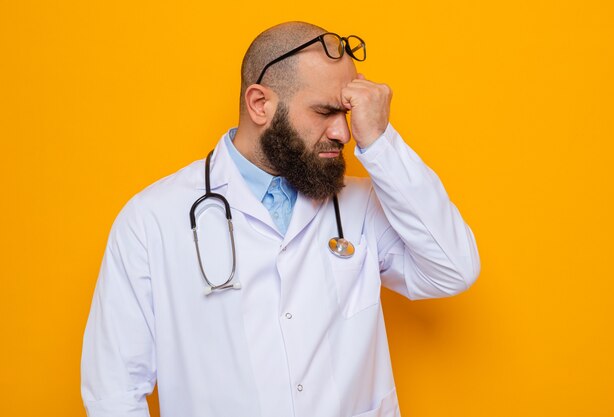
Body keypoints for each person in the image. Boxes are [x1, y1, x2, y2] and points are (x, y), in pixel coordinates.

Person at [81, 21, 480, 417]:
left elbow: (453, 269)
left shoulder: (362, 206)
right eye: (325, 111)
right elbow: (113, 390)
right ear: (260, 104)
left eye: (348, 112)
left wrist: (380, 141)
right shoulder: (153, 220)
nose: (344, 132)